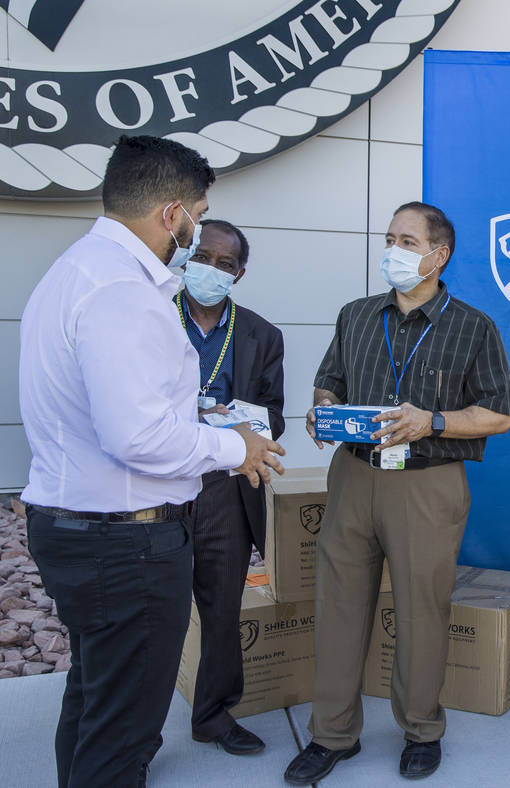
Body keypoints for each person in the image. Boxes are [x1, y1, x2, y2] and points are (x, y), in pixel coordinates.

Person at [19, 135, 284, 788]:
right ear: (173, 214)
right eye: (197, 214)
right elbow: (136, 435)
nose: (195, 236)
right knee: (124, 730)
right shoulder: (124, 292)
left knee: (95, 698)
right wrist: (235, 446)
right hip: (125, 544)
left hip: (82, 528)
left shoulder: (74, 272)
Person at [283, 201, 510, 784]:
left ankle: (421, 729)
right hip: (354, 476)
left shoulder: (472, 325)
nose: (393, 249)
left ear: (440, 255)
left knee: (420, 610)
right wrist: (323, 410)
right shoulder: (357, 315)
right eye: (390, 238)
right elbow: (329, 380)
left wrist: (432, 422)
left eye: (407, 241)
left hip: (426, 484)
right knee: (337, 606)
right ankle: (332, 734)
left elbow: (499, 415)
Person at [179, 219, 286, 755]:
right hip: (156, 486)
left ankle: (214, 715)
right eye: (203, 257)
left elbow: (275, 418)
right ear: (185, 255)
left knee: (221, 608)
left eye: (226, 265)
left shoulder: (261, 335)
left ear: (238, 274)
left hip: (224, 488)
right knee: (158, 610)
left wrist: (236, 423)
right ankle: (132, 731)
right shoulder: (150, 317)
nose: (212, 270)